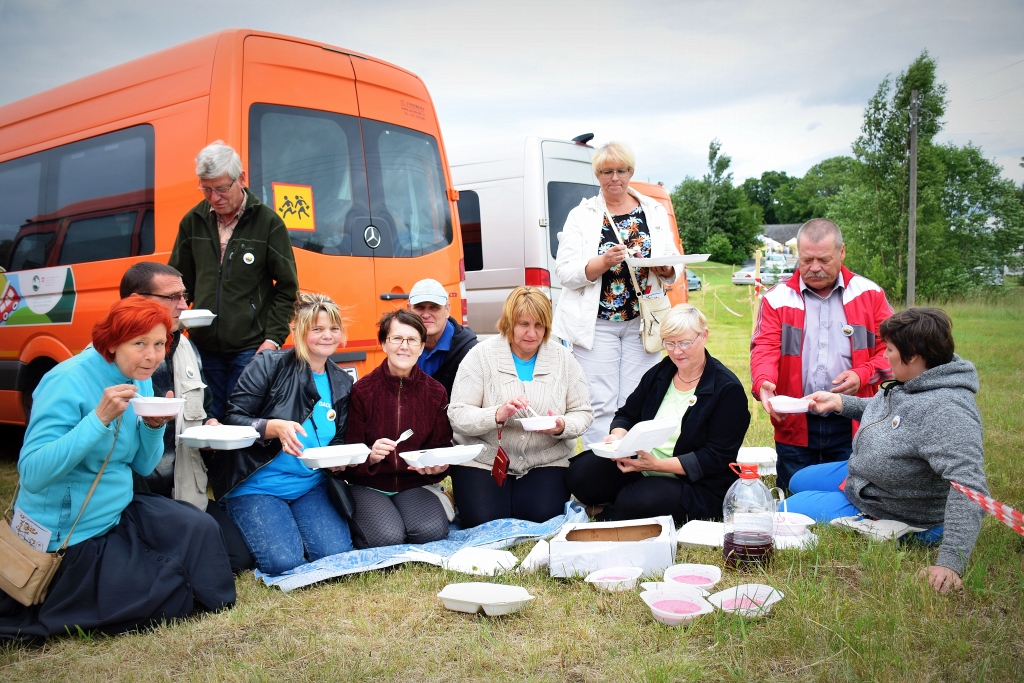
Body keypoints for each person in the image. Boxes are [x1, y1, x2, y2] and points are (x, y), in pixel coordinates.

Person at [0, 298, 235, 639]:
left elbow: (140, 463)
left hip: (117, 508)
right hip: (71, 530)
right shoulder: (65, 381)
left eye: (158, 344)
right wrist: (98, 419)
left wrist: (153, 427)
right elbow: (34, 474)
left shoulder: (137, 376)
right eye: (139, 344)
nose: (152, 356)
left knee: (198, 527)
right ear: (111, 343)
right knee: (165, 598)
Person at [784, 307, 989, 595]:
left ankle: (916, 530)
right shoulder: (918, 379)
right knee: (798, 480)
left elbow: (969, 487)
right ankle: (849, 492)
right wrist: (840, 402)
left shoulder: (948, 412)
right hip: (868, 477)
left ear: (913, 356)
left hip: (894, 504)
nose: (885, 356)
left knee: (788, 509)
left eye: (890, 349)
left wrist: (950, 563)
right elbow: (890, 413)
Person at [120, 262, 254, 572]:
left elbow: (202, 409)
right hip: (131, 496)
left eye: (184, 295)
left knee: (237, 558)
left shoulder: (186, 348)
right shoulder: (109, 357)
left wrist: (209, 427)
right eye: (173, 297)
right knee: (187, 563)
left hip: (183, 489)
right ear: (137, 300)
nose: (184, 304)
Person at [566, 304, 750, 522]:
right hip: (641, 465)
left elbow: (715, 457)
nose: (677, 351)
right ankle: (625, 497)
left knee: (637, 501)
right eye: (669, 343)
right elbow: (627, 413)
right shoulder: (662, 372)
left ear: (704, 337)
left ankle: (612, 509)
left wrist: (657, 465)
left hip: (692, 482)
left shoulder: (727, 389)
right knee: (580, 474)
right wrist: (618, 439)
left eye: (684, 343)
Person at [552, 141, 683, 445]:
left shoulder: (652, 210)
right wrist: (603, 262)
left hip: (643, 322)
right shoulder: (582, 214)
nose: (615, 178)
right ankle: (603, 470)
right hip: (596, 325)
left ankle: (635, 466)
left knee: (638, 400)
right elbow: (566, 273)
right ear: (597, 175)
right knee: (600, 403)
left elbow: (672, 265)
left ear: (630, 172)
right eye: (607, 171)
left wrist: (664, 269)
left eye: (621, 171)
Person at [215, 293, 354, 575]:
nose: (327, 336)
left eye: (333, 329)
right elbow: (232, 417)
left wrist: (339, 459)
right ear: (299, 331)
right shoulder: (268, 364)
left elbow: (338, 436)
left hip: (310, 484)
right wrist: (271, 427)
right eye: (317, 329)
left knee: (335, 555)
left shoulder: (342, 380)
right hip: (258, 484)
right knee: (284, 563)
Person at [750, 218, 893, 490]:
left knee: (851, 498)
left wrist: (862, 375)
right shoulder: (776, 298)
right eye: (807, 260)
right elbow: (764, 348)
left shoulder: (870, 294)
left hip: (852, 420)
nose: (815, 268)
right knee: (792, 495)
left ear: (842, 253)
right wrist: (764, 382)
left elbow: (893, 351)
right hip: (794, 420)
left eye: (824, 260)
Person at [169, 140, 299, 420]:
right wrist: (173, 322)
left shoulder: (268, 222)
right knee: (205, 420)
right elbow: (178, 283)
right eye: (206, 188)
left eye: (221, 188)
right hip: (201, 344)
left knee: (242, 421)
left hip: (250, 347)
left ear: (241, 179)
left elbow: (287, 287)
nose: (214, 197)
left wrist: (273, 339)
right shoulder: (192, 221)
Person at [448, 286, 593, 527]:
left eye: (539, 325)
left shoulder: (564, 359)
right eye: (523, 324)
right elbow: (458, 415)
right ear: (508, 323)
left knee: (543, 518)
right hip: (484, 458)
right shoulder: (480, 355)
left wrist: (561, 425)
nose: (532, 333)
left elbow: (583, 413)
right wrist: (496, 414)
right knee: (483, 520)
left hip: (545, 459)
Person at [337, 310, 454, 548]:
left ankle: (427, 507)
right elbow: (349, 453)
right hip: (370, 485)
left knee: (430, 532)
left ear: (422, 347)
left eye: (412, 340)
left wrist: (436, 467)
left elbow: (441, 447)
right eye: (396, 339)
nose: (404, 346)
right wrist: (370, 456)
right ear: (383, 343)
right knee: (386, 538)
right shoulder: (362, 391)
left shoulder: (435, 392)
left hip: (414, 484)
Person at [408, 278, 478, 399]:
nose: (426, 314)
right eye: (419, 307)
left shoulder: (470, 352)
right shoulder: (400, 346)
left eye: (434, 307)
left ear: (447, 310)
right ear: (409, 309)